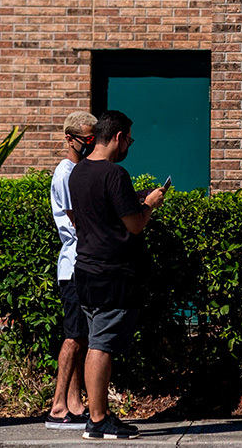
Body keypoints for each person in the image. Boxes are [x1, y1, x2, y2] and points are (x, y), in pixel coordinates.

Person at [68, 110, 165, 440]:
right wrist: (150, 203)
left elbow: (95, 216)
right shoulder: (115, 174)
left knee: (97, 339)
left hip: (85, 268)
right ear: (120, 137)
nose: (129, 146)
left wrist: (133, 203)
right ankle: (97, 419)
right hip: (113, 273)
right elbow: (135, 225)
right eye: (129, 139)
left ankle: (99, 414)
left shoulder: (78, 172)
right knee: (101, 345)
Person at [45, 111, 97, 430]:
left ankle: (74, 403)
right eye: (87, 139)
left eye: (94, 139)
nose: (91, 145)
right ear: (70, 138)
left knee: (82, 336)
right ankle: (57, 405)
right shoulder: (65, 174)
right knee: (73, 336)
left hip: (84, 263)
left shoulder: (79, 171)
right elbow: (75, 220)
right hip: (73, 265)